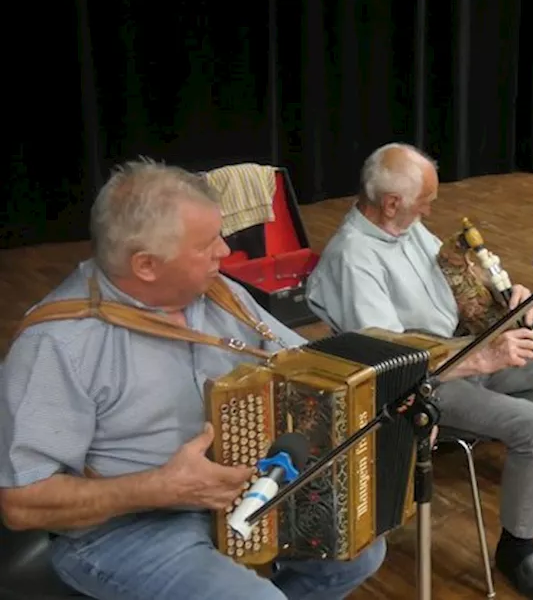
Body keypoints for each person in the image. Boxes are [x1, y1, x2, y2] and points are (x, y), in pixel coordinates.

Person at [0, 160, 387, 600]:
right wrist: (162, 488)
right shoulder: (57, 342)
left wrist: (391, 387)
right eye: (207, 245)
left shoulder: (219, 291)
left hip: (239, 493)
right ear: (146, 264)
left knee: (358, 551)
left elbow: (305, 361)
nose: (225, 251)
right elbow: (22, 502)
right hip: (121, 531)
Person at [306, 144, 533, 600]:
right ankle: (518, 548)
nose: (431, 208)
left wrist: (506, 297)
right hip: (425, 385)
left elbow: (457, 282)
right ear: (390, 203)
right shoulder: (353, 258)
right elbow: (390, 360)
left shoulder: (408, 226)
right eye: (425, 200)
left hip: (469, 350)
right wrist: (481, 358)